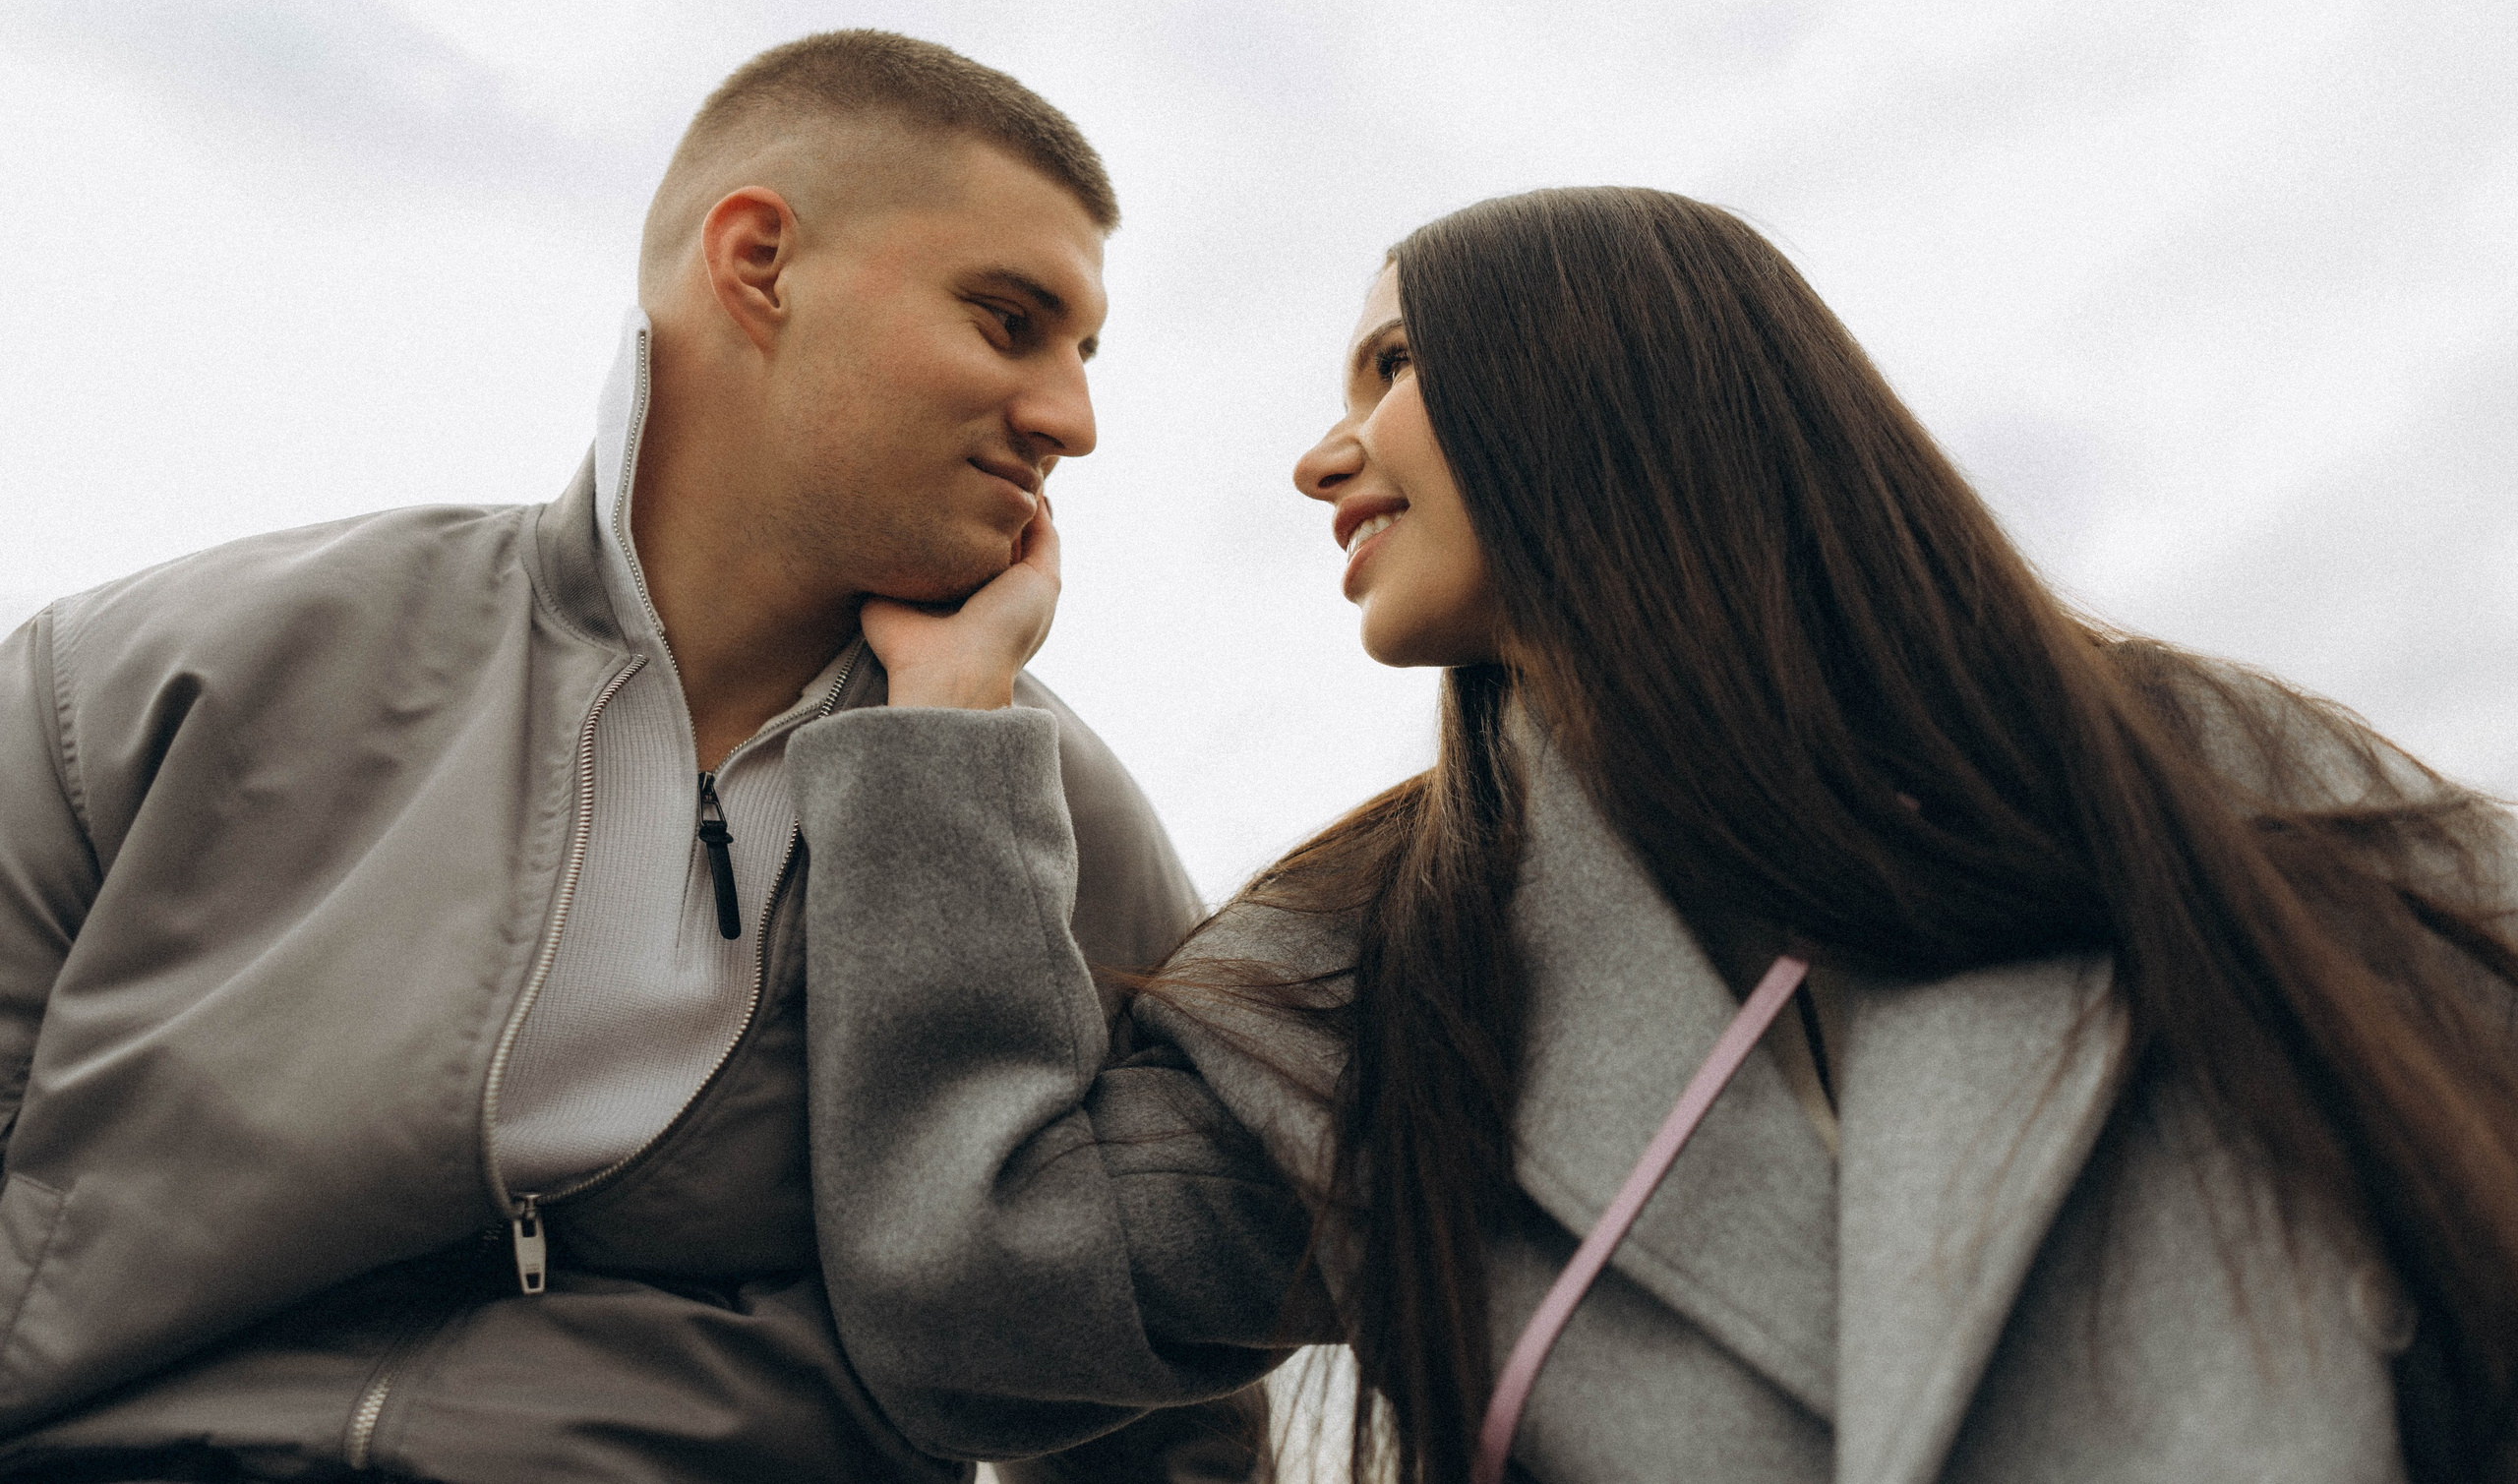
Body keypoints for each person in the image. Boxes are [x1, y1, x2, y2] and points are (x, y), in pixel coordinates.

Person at [789, 187, 2518, 1483]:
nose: (1324, 458)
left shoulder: (2201, 777)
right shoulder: (1376, 959)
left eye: (1393, 364)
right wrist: (941, 738)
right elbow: (981, 1304)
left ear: (1606, 374)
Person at [0, 30, 1263, 1483]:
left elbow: (1161, 1381)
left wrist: (949, 759)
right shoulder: (169, 672)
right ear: (759, 263)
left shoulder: (1057, 820)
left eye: (1082, 354)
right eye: (1008, 321)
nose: (1072, 420)